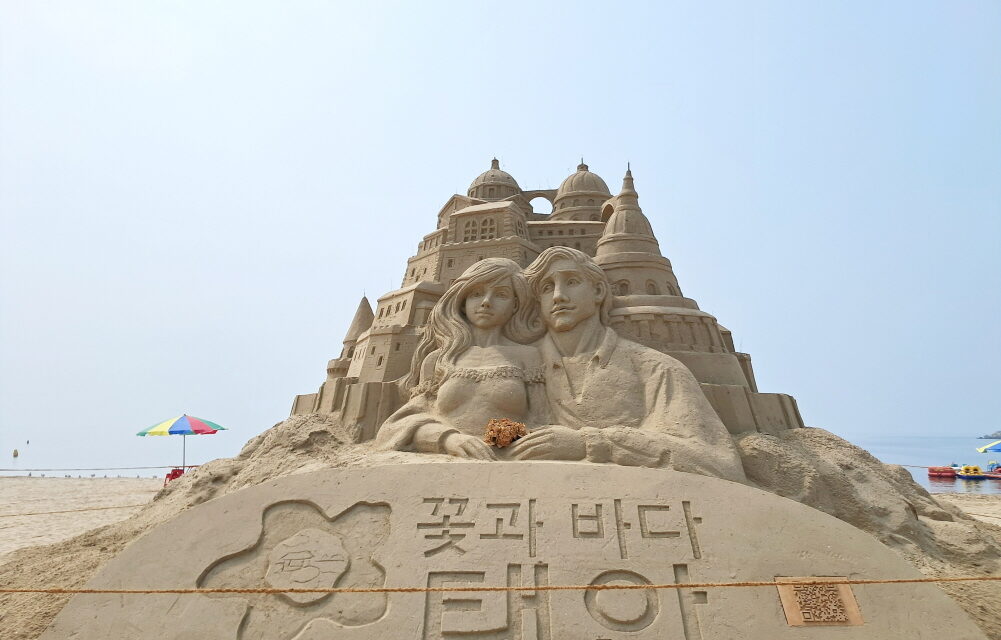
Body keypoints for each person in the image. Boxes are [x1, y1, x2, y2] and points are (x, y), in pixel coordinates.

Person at [507, 247, 746, 481]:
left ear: (599, 291)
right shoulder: (513, 369)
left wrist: (589, 444)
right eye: (548, 288)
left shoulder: (657, 369)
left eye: (571, 282)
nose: (559, 295)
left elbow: (719, 463)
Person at [375, 258, 547, 459]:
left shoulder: (529, 357)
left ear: (515, 305)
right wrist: (447, 439)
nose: (486, 302)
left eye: (500, 295)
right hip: (441, 463)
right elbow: (397, 426)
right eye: (476, 294)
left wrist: (503, 437)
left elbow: (542, 421)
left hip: (506, 465)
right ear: (463, 302)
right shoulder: (438, 360)